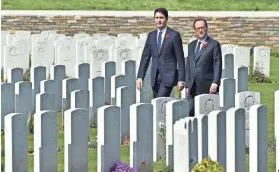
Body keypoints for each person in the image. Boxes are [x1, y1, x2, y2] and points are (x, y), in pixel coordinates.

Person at [136, 8, 185, 98]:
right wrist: (140, 77)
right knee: (159, 104)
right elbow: (145, 57)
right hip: (155, 78)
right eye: (157, 17)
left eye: (161, 17)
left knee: (159, 102)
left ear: (166, 19)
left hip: (168, 77)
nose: (159, 20)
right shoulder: (151, 36)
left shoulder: (174, 35)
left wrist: (181, 79)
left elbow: (180, 59)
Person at [185, 18, 222, 117]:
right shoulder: (191, 45)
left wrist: (215, 83)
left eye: (202, 28)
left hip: (207, 85)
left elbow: (217, 64)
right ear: (195, 30)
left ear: (206, 28)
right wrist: (187, 84)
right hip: (192, 86)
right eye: (198, 28)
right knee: (190, 112)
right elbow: (188, 65)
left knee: (205, 115)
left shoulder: (214, 44)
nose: (200, 30)